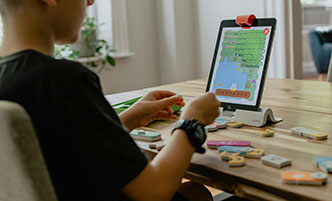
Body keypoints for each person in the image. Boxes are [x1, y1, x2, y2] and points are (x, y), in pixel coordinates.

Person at [0, 0, 220, 201]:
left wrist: (128, 118)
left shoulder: (12, 78)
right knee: (198, 194)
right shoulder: (63, 81)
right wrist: (191, 122)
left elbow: (58, 144)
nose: (90, 1)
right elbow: (154, 191)